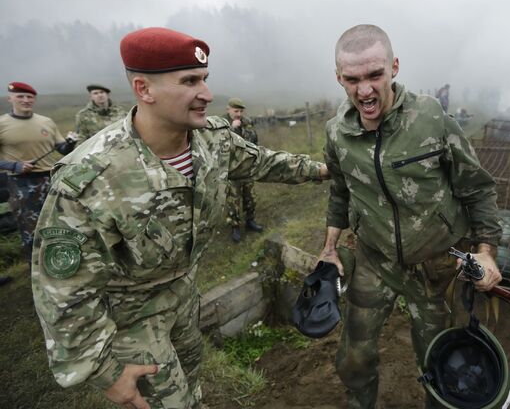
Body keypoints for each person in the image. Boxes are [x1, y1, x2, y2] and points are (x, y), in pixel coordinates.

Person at [31, 27, 328, 409]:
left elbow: (264, 162)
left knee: (192, 381)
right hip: (132, 319)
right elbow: (63, 292)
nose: (206, 93)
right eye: (189, 81)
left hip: (185, 296)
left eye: (204, 79)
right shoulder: (90, 178)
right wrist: (105, 373)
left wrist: (324, 170)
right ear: (144, 89)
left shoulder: (211, 139)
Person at [319, 24, 502, 409]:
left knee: (440, 363)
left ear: (395, 67)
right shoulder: (336, 134)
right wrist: (330, 249)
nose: (364, 90)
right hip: (375, 260)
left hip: (435, 266)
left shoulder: (430, 118)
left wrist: (485, 252)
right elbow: (339, 191)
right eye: (352, 79)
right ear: (338, 77)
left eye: (375, 75)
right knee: (354, 358)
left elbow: (477, 187)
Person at [0, 82, 77, 264]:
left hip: (51, 179)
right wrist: (14, 166)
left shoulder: (46, 122)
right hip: (21, 184)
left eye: (29, 97)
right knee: (32, 232)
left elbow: (63, 150)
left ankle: (64, 264)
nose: (26, 100)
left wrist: (71, 142)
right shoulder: (2, 124)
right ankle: (38, 270)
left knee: (61, 223)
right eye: (20, 96)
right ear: (10, 98)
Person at [222, 97, 263, 242]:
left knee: (250, 197)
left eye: (240, 111)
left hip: (246, 168)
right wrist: (233, 129)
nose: (238, 114)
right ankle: (235, 227)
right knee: (233, 201)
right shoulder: (223, 124)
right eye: (235, 111)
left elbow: (253, 141)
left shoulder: (247, 122)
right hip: (231, 170)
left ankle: (250, 221)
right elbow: (223, 146)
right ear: (228, 110)